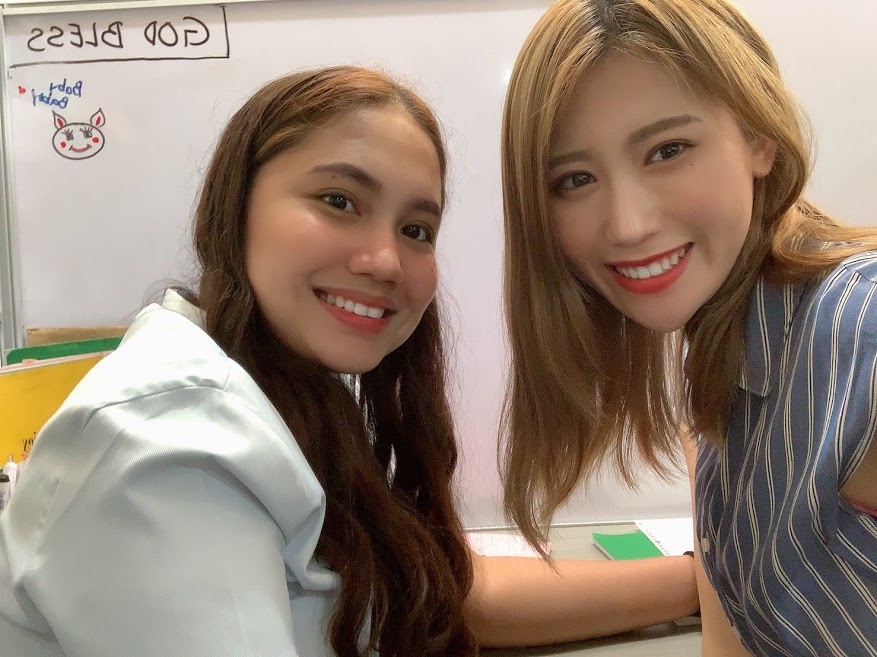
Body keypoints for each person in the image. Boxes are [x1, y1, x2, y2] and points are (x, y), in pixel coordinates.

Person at [0, 65, 696, 657]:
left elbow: (433, 591)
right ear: (235, 206)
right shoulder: (167, 449)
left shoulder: (280, 384)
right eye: (338, 201)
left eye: (416, 228)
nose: (385, 259)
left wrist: (701, 579)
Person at [500, 1, 877, 655]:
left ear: (759, 136)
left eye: (667, 150)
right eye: (574, 179)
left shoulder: (857, 336)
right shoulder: (724, 354)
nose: (628, 225)